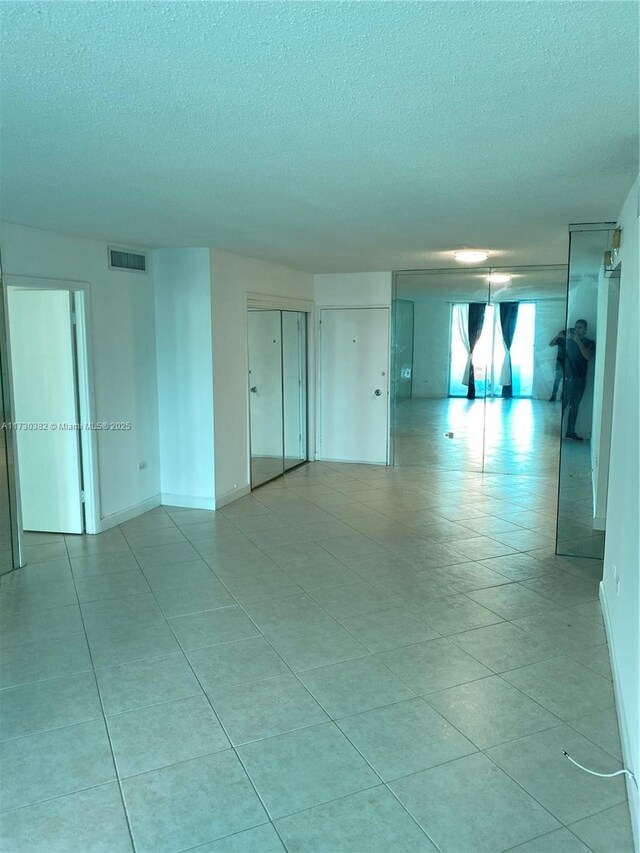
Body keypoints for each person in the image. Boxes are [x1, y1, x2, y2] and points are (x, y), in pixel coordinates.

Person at [551, 319, 595, 440]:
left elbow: (588, 356)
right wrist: (559, 335)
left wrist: (578, 341)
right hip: (566, 378)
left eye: (580, 327)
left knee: (574, 406)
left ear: (585, 330)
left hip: (579, 379)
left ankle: (570, 432)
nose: (577, 329)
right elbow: (552, 344)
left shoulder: (589, 342)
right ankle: (556, 432)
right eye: (576, 327)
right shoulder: (568, 341)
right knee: (563, 405)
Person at [548, 328, 566, 401]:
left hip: (568, 362)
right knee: (557, 379)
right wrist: (557, 336)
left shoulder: (569, 341)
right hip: (559, 361)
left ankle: (563, 395)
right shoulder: (560, 340)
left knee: (566, 379)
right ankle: (554, 395)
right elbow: (550, 344)